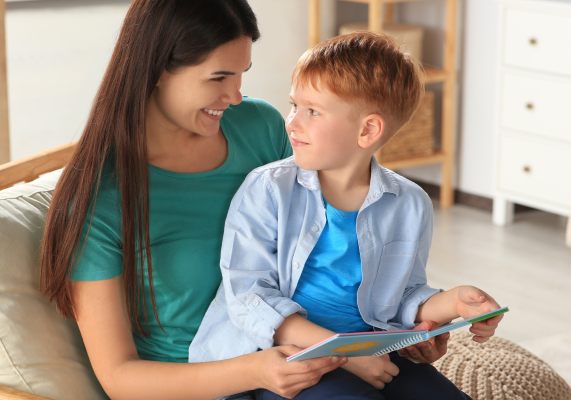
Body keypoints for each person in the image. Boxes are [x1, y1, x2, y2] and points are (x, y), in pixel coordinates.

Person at [37, 1, 366, 399]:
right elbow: (119, 377)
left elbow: (328, 241)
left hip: (299, 344)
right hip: (208, 382)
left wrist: (405, 317)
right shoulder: (103, 197)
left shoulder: (260, 129)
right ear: (157, 68)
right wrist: (255, 371)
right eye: (218, 77)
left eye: (241, 74)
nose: (236, 95)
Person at [189, 32, 504, 400]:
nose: (292, 123)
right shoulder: (268, 189)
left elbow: (401, 297)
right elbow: (248, 297)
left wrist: (453, 304)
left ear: (368, 129)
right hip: (286, 359)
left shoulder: (410, 203)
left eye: (312, 111)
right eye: (295, 105)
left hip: (372, 349)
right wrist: (343, 353)